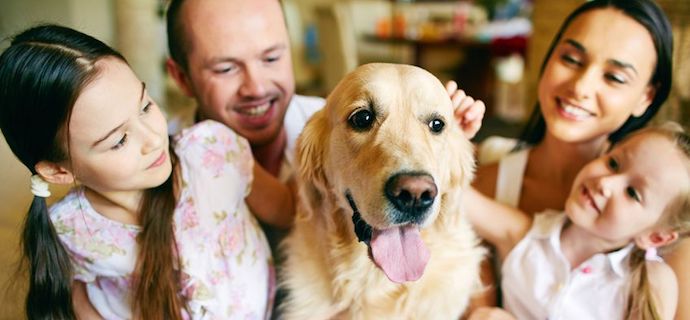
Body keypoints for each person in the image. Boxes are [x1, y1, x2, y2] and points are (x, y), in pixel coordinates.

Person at [0, 24, 294, 319]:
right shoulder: (71, 228)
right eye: (120, 140)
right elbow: (77, 301)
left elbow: (289, 209)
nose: (154, 138)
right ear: (58, 171)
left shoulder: (212, 153)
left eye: (144, 106)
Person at [164, 0, 485, 251]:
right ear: (181, 78)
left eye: (272, 58)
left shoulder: (328, 120)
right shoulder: (154, 167)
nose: (257, 87)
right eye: (226, 68)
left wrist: (441, 139)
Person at [469, 0, 686, 315]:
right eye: (571, 58)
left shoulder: (670, 237)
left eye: (614, 77)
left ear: (646, 97)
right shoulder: (490, 186)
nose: (581, 87)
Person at [466, 123, 690, 320]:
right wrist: (452, 128)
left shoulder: (651, 282)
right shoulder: (523, 234)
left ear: (655, 236)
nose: (606, 183)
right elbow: (458, 195)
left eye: (632, 193)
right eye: (613, 163)